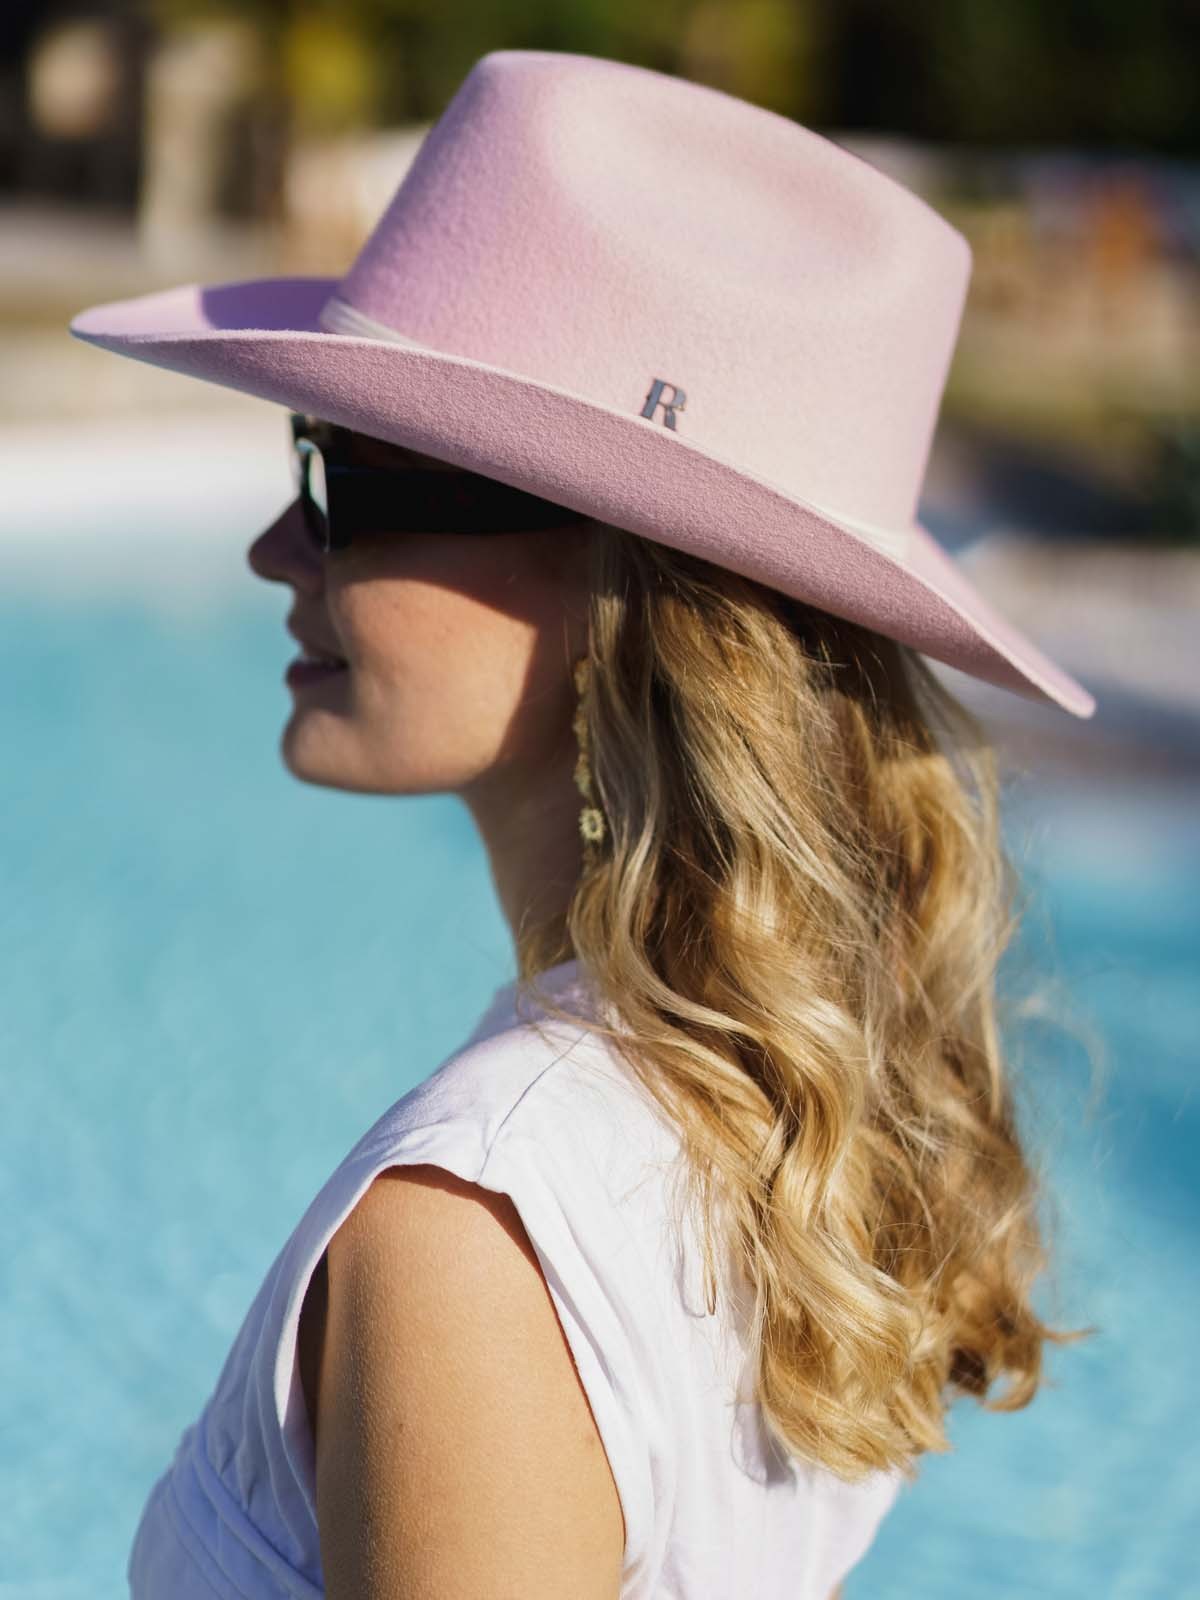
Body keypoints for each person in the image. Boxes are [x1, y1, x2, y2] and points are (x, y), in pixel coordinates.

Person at [68, 48, 1096, 1600]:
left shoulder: (477, 1231)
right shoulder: (769, 1121)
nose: (279, 546)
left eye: (345, 474)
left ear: (630, 589)